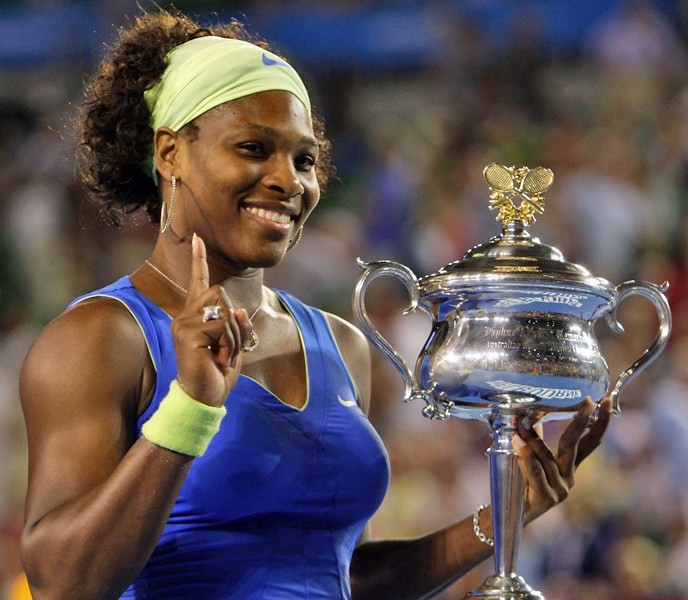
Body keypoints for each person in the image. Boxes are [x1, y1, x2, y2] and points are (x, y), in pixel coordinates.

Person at [18, 9, 612, 600]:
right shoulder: (100, 337)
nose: (289, 180)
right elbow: (64, 583)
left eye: (304, 160)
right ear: (170, 152)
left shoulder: (341, 345)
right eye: (254, 148)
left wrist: (508, 513)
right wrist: (189, 411)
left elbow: (337, 578)